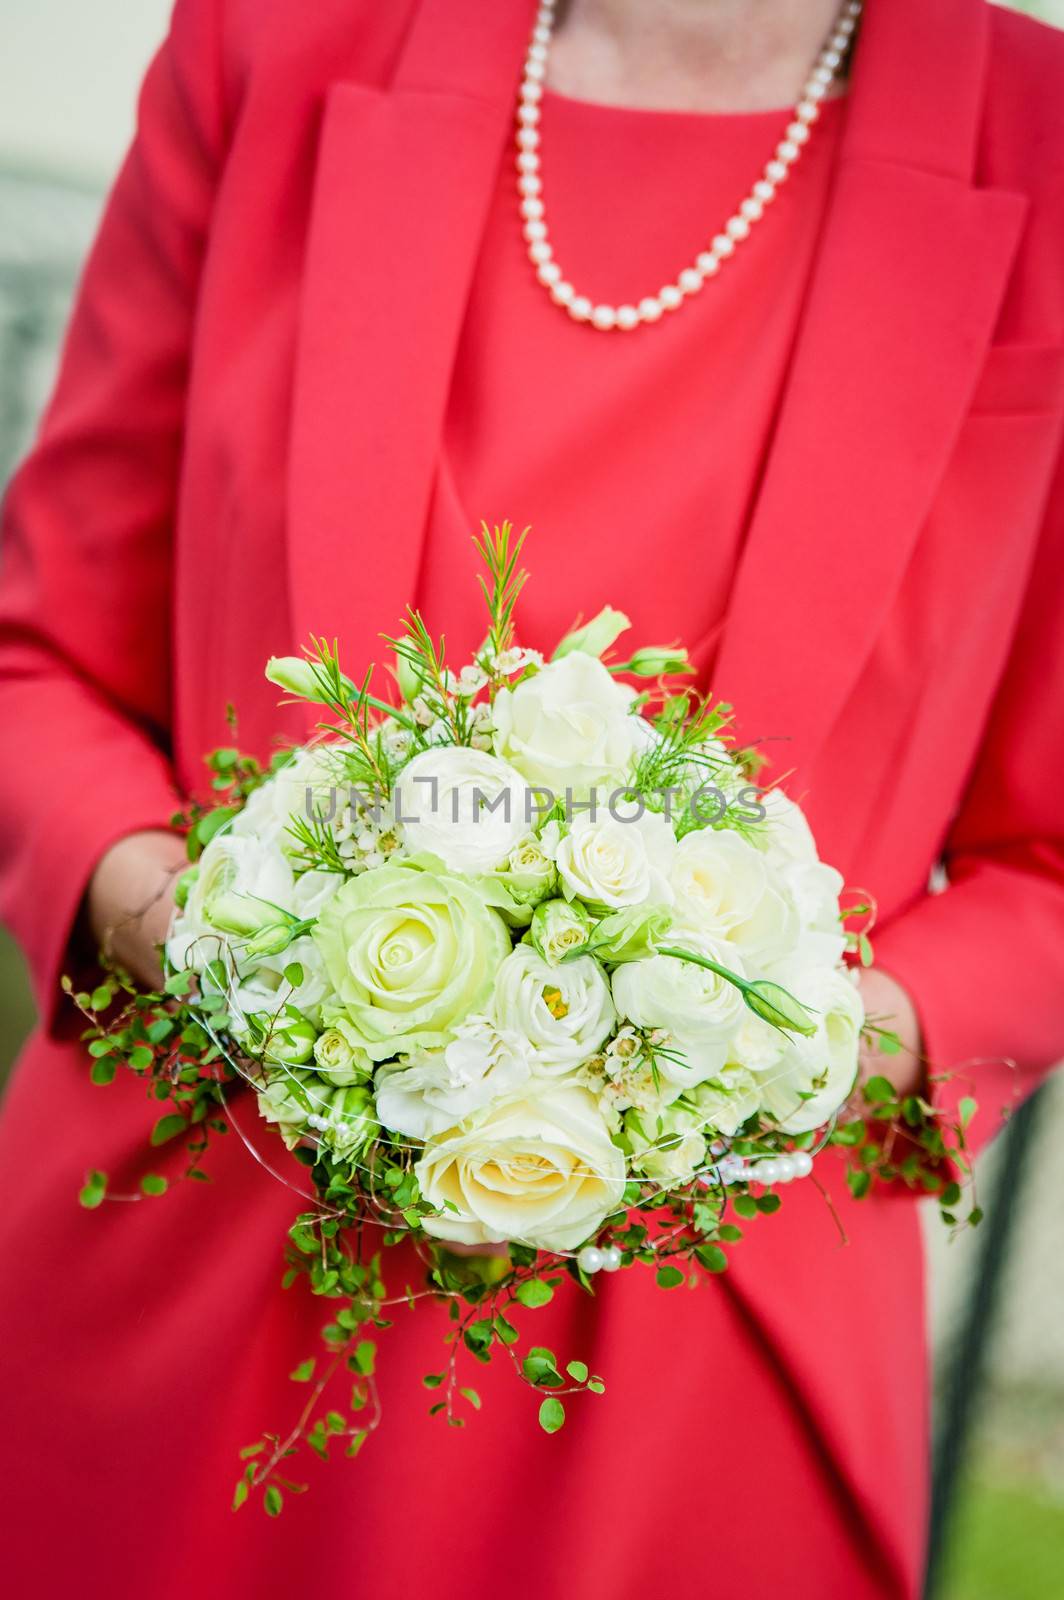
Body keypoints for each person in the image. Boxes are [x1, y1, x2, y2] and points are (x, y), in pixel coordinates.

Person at [0, 1, 1061, 1595]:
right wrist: (199, 937)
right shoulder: (268, 49)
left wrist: (799, 1049)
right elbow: (41, 660)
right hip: (182, 1277)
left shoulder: (1044, 142)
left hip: (701, 1386)